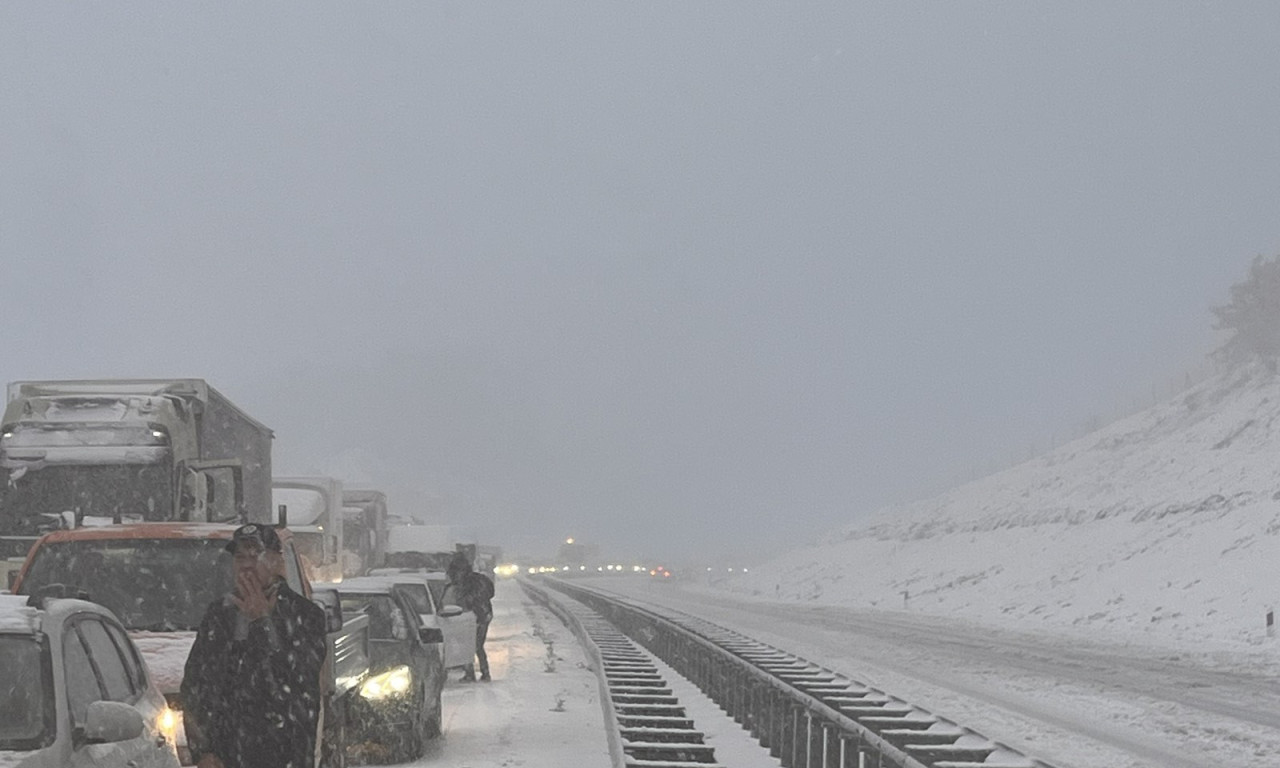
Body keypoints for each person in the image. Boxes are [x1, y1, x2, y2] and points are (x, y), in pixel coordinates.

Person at [181, 524, 327, 768]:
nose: (246, 565)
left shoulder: (304, 614)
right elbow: (197, 686)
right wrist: (203, 751)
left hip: (283, 757)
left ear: (275, 561)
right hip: (226, 757)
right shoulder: (219, 614)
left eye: (255, 555)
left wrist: (262, 624)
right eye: (240, 557)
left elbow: (296, 685)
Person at [445, 552, 495, 682]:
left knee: (470, 645)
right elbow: (490, 593)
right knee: (476, 645)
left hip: (476, 616)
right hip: (482, 615)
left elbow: (470, 600)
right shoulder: (479, 580)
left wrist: (475, 609)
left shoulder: (467, 584)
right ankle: (483, 672)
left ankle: (473, 673)